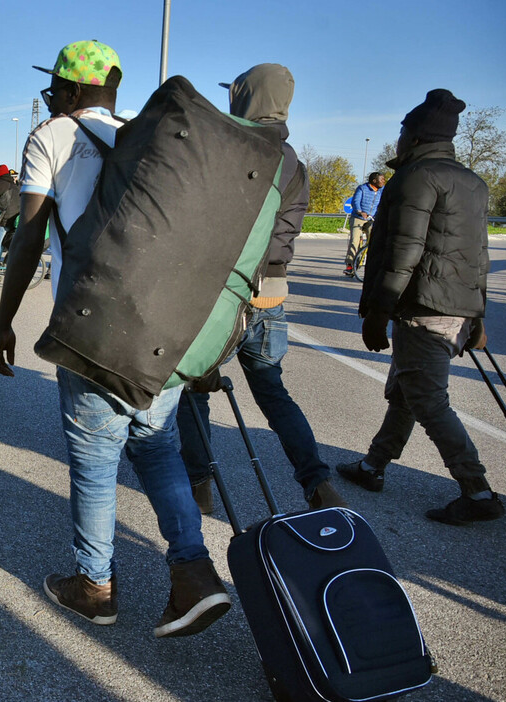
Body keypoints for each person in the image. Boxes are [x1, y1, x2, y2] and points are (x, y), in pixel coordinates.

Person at [0, 41, 230, 638]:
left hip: (94, 326)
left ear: (71, 91)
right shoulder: (152, 137)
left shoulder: (51, 136)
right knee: (157, 446)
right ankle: (194, 574)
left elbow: (27, 237)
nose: (49, 100)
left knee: (96, 463)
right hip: (166, 328)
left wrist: (4, 321)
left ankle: (95, 586)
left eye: (53, 90)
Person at [176, 64, 348, 515]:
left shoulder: (229, 151)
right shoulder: (296, 163)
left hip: (225, 295)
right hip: (271, 293)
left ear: (245, 98)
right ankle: (317, 483)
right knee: (273, 392)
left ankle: (199, 484)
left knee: (194, 388)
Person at [337, 89, 503, 526]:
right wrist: (478, 317)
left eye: (402, 130)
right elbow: (479, 257)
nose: (398, 139)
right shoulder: (473, 182)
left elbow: (402, 253)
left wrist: (375, 313)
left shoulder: (416, 178)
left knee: (428, 400)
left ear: (414, 135)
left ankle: (477, 490)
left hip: (423, 309)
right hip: (456, 309)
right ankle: (373, 467)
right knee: (408, 391)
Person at [345, 171, 386, 275]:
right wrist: (360, 211)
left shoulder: (382, 190)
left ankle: (371, 264)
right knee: (355, 241)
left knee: (373, 241)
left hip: (372, 218)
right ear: (374, 181)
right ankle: (350, 265)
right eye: (381, 179)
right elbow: (355, 201)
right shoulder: (362, 188)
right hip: (358, 217)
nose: (383, 181)